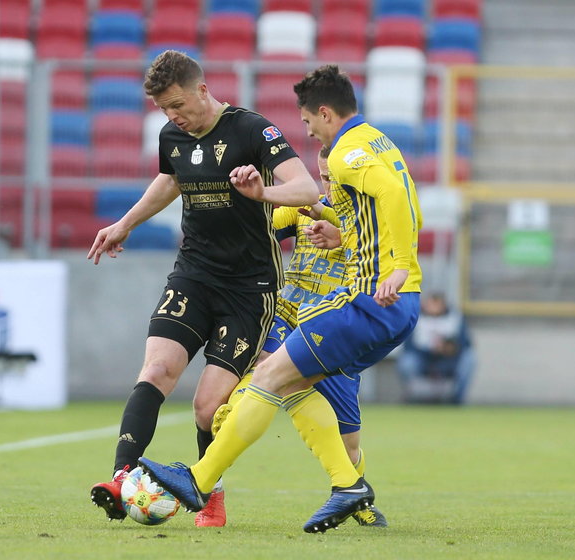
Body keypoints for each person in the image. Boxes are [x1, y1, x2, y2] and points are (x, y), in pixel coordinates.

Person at [139, 64, 423, 534]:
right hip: (366, 309)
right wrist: (341, 232)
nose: (308, 134)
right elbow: (389, 202)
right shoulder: (374, 146)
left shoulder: (349, 153)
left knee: (278, 385)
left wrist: (396, 264)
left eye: (309, 123)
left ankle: (204, 478)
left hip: (363, 305)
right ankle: (344, 486)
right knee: (284, 383)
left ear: (326, 114)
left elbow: (393, 194)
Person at [87, 50, 321, 527]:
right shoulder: (172, 135)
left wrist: (262, 193)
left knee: (207, 406)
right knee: (156, 369)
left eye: (178, 104)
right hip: (194, 273)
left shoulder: (252, 130)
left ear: (202, 89)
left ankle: (209, 492)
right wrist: (126, 223)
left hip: (249, 287)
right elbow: (172, 178)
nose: (173, 116)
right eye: (163, 109)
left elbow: (307, 191)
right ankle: (121, 477)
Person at [212, 145, 387, 527]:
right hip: (289, 316)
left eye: (333, 178)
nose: (327, 184)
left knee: (349, 443)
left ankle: (355, 492)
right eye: (322, 177)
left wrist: (342, 238)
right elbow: (260, 225)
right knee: (266, 371)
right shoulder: (305, 206)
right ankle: (233, 412)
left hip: (338, 329)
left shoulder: (371, 218)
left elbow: (391, 257)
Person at [397, 292, 475, 404]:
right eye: (430, 305)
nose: (433, 308)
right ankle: (413, 397)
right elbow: (408, 345)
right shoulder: (416, 318)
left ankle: (456, 399)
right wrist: (429, 349)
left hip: (449, 359)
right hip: (423, 358)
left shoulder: (455, 318)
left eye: (436, 304)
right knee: (407, 362)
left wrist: (448, 348)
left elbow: (465, 343)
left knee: (469, 359)